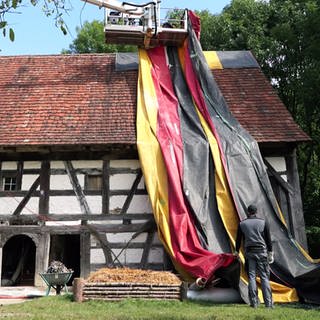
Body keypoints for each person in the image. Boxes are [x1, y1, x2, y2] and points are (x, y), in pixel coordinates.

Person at [235, 204, 274, 308]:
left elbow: (238, 240)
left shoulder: (242, 224)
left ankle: (254, 303)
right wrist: (270, 253)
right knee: (264, 277)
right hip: (262, 252)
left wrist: (236, 251)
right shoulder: (263, 222)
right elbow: (268, 240)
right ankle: (268, 304)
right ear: (256, 212)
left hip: (249, 253)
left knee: (251, 277)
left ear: (248, 212)